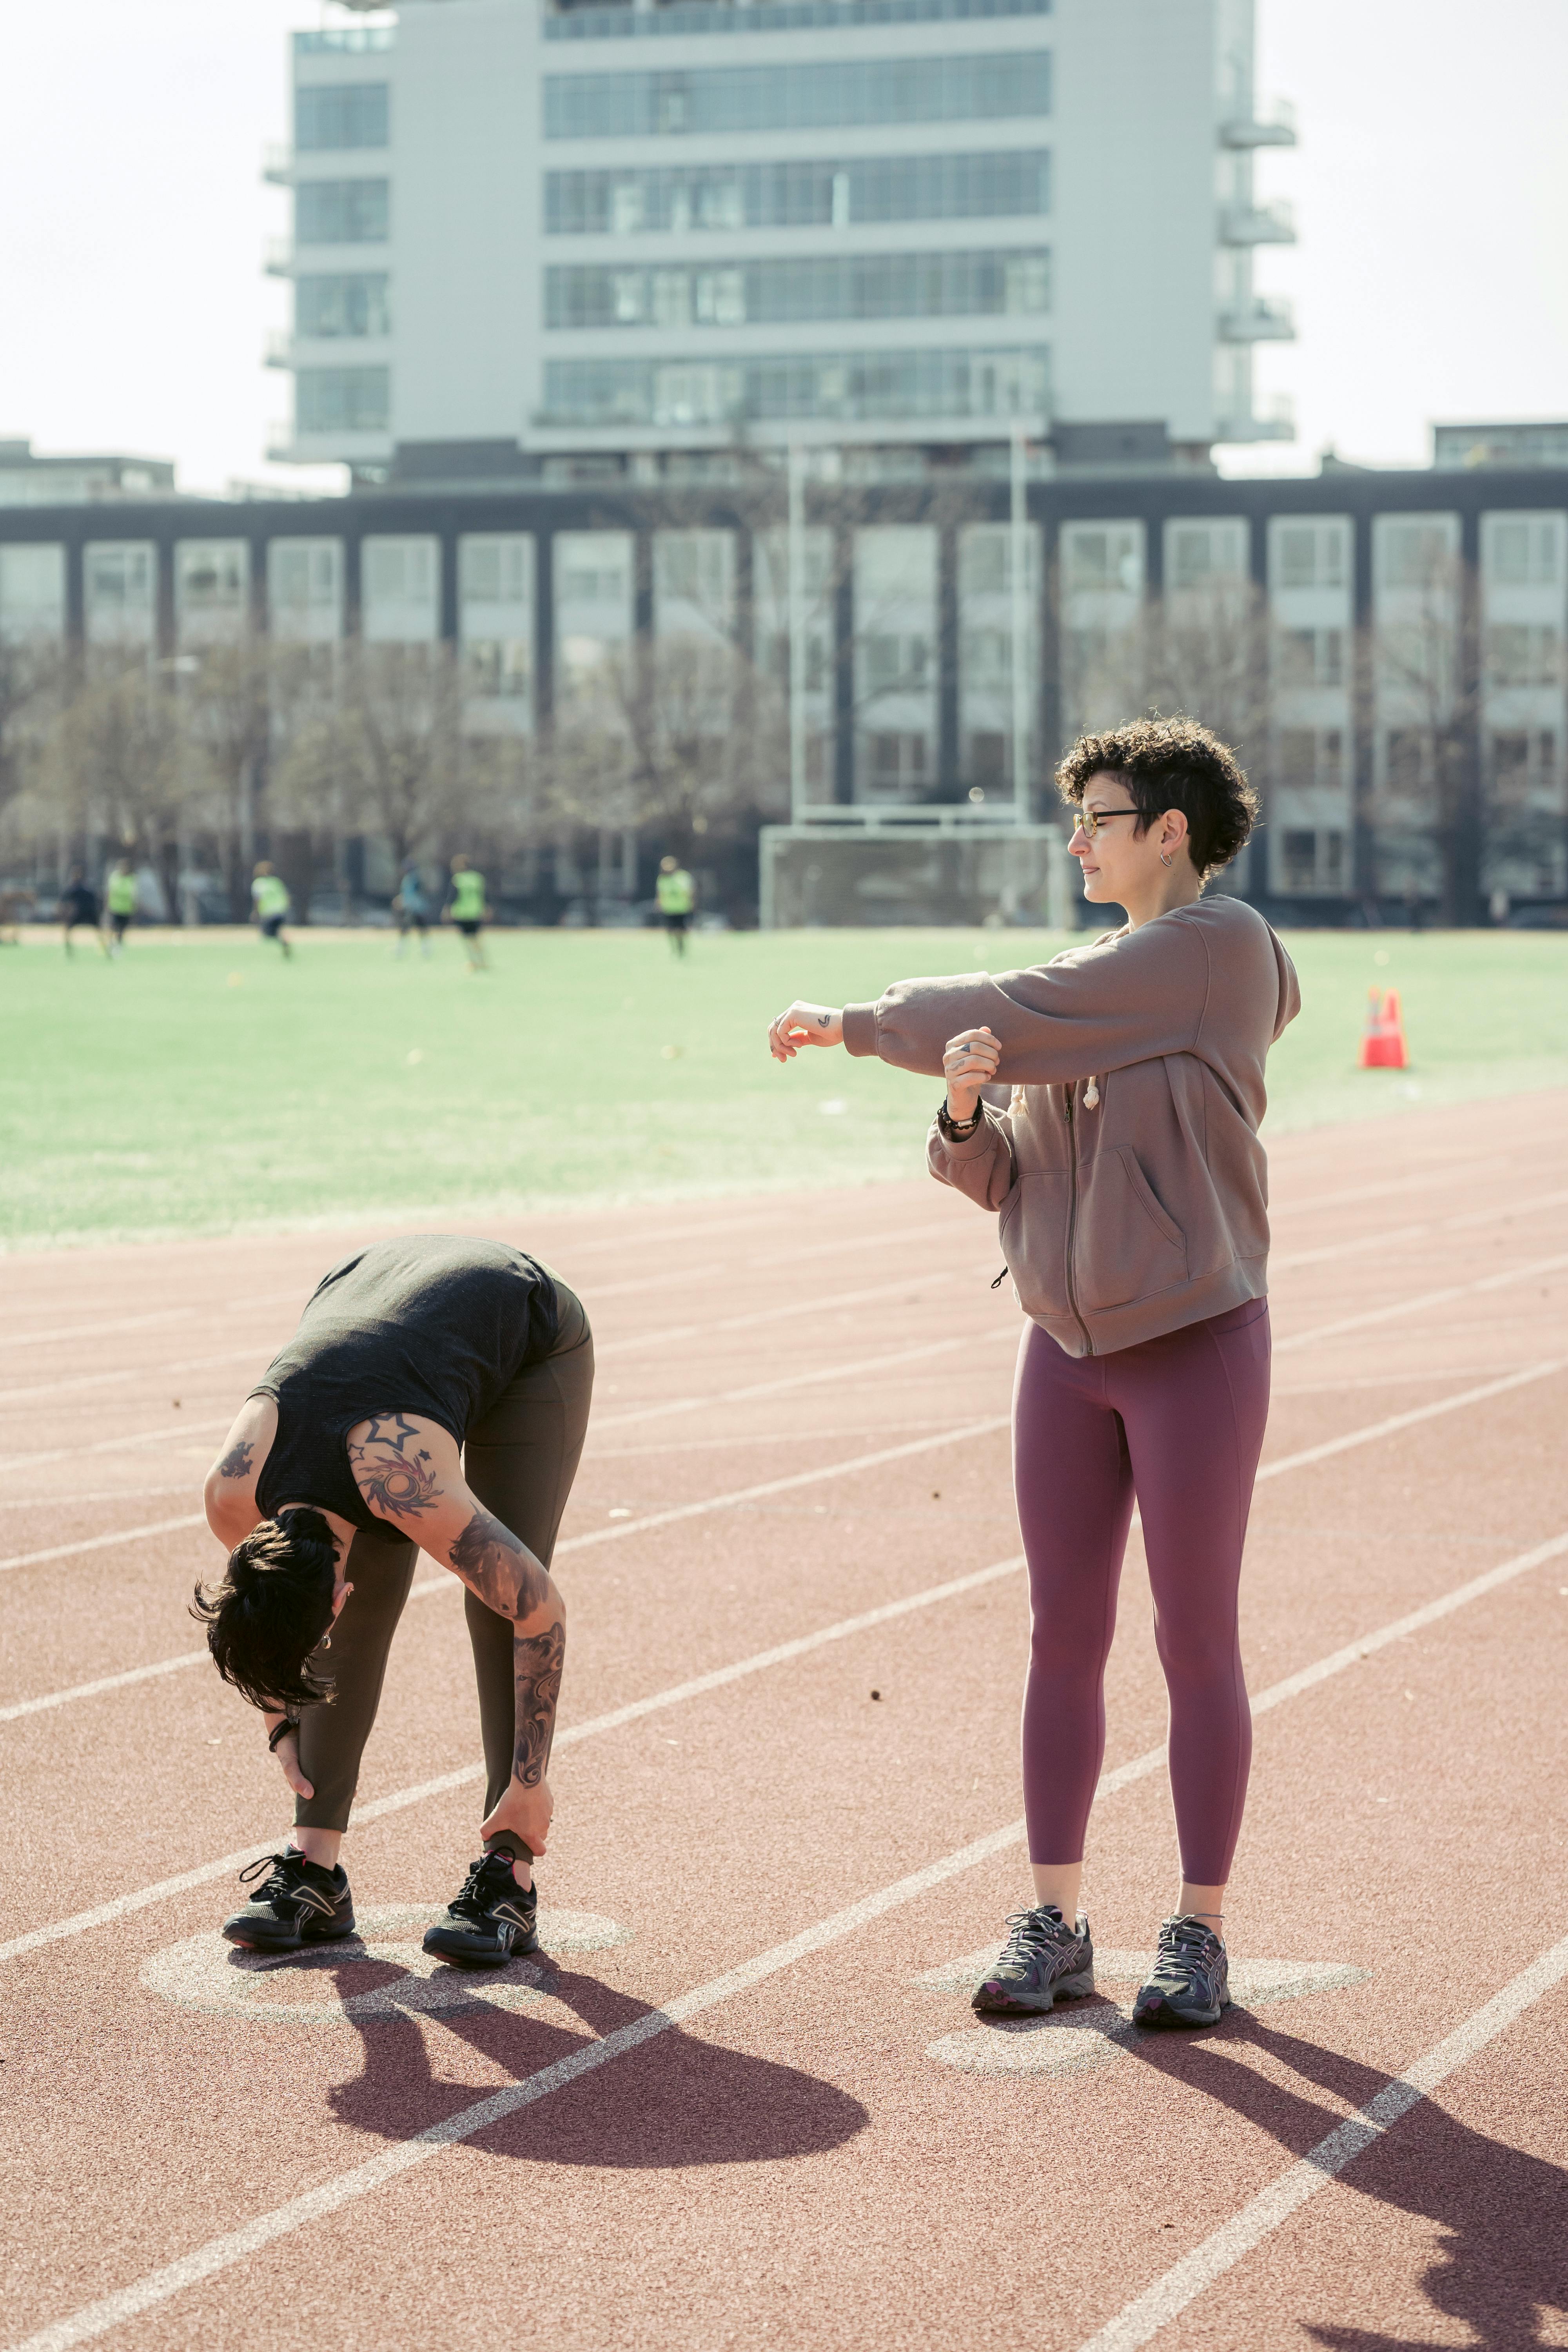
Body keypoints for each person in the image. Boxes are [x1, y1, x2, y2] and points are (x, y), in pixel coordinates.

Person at [766, 717, 1299, 2031]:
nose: (1076, 844)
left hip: (1194, 1345)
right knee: (1063, 1636)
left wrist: (855, 1024)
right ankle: (1056, 1920)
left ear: (1170, 833)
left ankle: (1199, 1930)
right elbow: (1002, 1168)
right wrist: (957, 1112)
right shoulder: (1101, 981)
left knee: (1193, 1638)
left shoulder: (1218, 952)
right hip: (1065, 1355)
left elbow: (1034, 1009)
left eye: (1099, 822)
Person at [196, 1236, 593, 1966]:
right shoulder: (234, 1495)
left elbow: (542, 1613)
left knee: (499, 1604)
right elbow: (264, 1621)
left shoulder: (403, 1477)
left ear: (334, 1590)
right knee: (354, 1607)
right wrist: (278, 1726)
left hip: (516, 1322)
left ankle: (510, 1874)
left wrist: (530, 1785)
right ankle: (314, 1867)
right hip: (367, 1296)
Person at [445, 855, 488, 970]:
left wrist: (447, 909)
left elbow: (453, 896)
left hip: (462, 913)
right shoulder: (477, 878)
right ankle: (482, 961)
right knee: (476, 938)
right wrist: (487, 908)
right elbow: (484, 895)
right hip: (476, 912)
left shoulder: (458, 879)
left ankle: (473, 962)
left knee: (467, 939)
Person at [56, 867, 105, 958]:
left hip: (87, 912)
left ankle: (105, 950)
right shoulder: (82, 887)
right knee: (68, 930)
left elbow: (97, 900)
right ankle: (69, 951)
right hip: (83, 913)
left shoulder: (79, 888)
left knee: (98, 931)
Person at [250, 862, 293, 959]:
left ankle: (282, 940)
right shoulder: (276, 882)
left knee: (266, 934)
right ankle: (284, 940)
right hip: (280, 911)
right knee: (278, 930)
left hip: (268, 913)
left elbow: (258, 899)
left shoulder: (258, 884)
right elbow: (286, 896)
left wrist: (255, 912)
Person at [655, 855, 696, 956]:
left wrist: (691, 903)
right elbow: (661, 893)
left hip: (682, 908)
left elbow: (690, 891)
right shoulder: (663, 879)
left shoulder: (683, 877)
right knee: (670, 931)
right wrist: (659, 904)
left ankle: (681, 947)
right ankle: (674, 949)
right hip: (669, 909)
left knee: (681, 930)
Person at [393, 860, 432, 958]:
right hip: (413, 908)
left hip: (415, 909)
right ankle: (403, 950)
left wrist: (404, 901)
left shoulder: (413, 879)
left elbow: (415, 894)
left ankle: (424, 950)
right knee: (415, 930)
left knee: (412, 930)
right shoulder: (410, 879)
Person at [104, 857, 138, 955]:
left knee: (122, 929)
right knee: (113, 927)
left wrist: (134, 906)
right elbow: (110, 892)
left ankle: (118, 946)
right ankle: (111, 944)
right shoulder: (115, 877)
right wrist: (107, 904)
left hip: (126, 909)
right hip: (115, 908)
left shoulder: (132, 878)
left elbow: (134, 894)